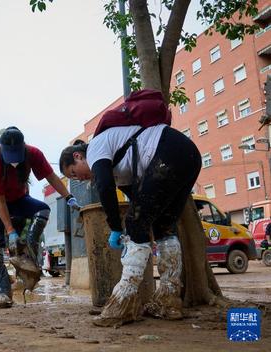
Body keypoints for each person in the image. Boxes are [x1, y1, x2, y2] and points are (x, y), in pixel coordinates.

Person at [59, 122, 201, 327]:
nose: (78, 179)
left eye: (73, 173)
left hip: (169, 149)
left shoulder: (95, 147)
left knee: (134, 223)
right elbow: (140, 202)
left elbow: (105, 188)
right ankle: (169, 300)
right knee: (163, 227)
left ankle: (123, 302)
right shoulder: (118, 166)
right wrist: (134, 227)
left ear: (78, 157)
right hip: (188, 155)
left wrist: (117, 227)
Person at [0, 126, 79, 308]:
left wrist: (68, 197)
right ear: (2, 149)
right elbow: (0, 203)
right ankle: (2, 293)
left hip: (17, 197)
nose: (14, 162)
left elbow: (52, 177)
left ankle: (30, 255)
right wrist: (10, 231)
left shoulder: (34, 154)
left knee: (42, 210)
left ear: (24, 146)